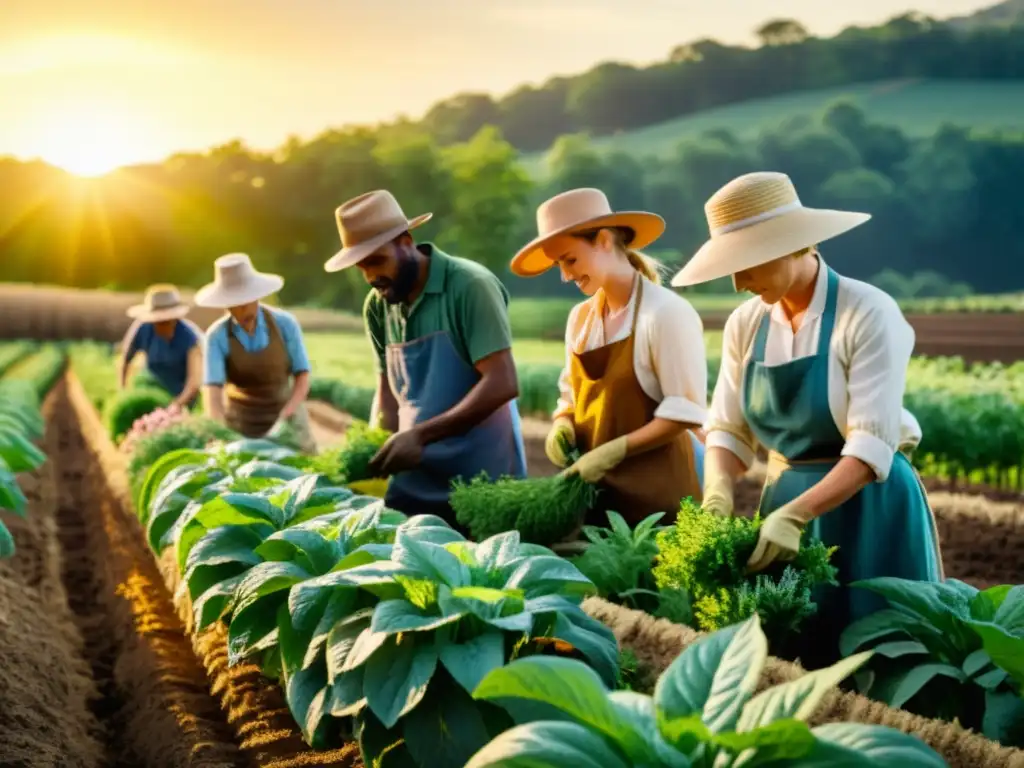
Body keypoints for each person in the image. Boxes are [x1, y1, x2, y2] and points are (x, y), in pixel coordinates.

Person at [672, 171, 943, 665]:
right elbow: (727, 429)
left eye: (745, 264)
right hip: (784, 498)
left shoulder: (867, 312)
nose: (737, 283)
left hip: (868, 504)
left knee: (882, 658)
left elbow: (870, 444)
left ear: (795, 246)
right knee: (795, 658)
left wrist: (798, 514)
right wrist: (717, 493)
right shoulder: (746, 323)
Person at [323, 189, 526, 526]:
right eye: (362, 266)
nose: (371, 277)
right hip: (415, 484)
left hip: (482, 484)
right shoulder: (378, 305)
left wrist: (420, 436)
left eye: (376, 260)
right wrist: (375, 452)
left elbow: (502, 382)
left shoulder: (469, 285)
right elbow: (387, 392)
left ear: (406, 242)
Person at [510, 188, 707, 526]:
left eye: (570, 259)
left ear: (602, 240)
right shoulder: (581, 319)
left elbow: (685, 412)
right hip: (596, 501)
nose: (565, 275)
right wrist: (562, 423)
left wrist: (613, 451)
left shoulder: (665, 313)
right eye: (559, 264)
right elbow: (570, 395)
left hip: (659, 506)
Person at [195, 253, 316, 452]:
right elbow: (213, 391)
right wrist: (218, 430)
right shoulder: (216, 336)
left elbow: (302, 375)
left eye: (246, 302)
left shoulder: (285, 324)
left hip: (286, 412)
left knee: (306, 468)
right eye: (234, 305)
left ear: (256, 295)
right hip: (242, 421)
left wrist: (287, 414)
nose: (242, 311)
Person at [118, 284, 203, 409]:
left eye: (165, 322)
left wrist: (175, 405)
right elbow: (126, 360)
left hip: (183, 398)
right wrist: (123, 391)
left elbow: (193, 383)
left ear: (175, 318)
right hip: (152, 393)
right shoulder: (143, 328)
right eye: (157, 322)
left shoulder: (189, 337)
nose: (160, 325)